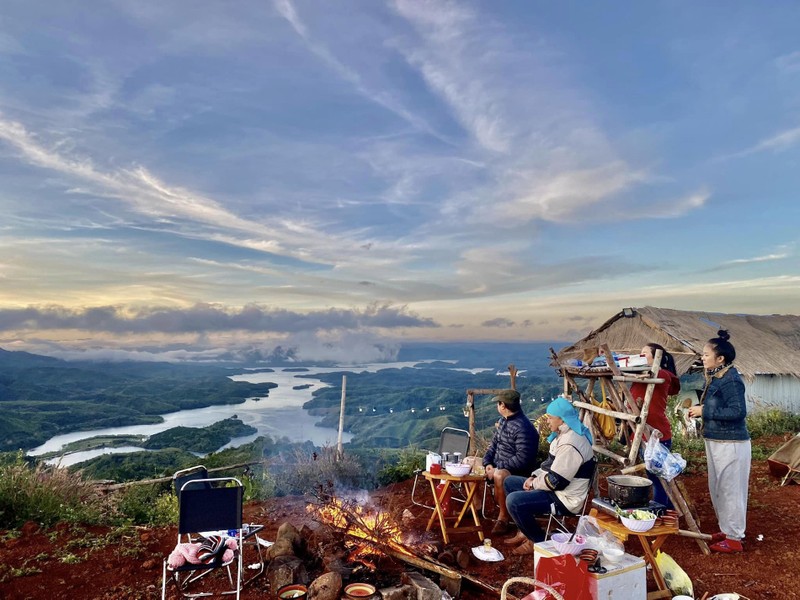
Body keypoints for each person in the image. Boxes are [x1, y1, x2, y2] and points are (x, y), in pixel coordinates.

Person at [502, 395, 596, 555]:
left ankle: (539, 541)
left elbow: (556, 482)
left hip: (565, 498)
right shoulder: (563, 435)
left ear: (562, 420)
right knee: (510, 482)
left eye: (550, 418)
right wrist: (533, 477)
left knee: (514, 501)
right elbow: (548, 467)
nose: (547, 421)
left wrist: (534, 483)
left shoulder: (571, 444)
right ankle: (525, 531)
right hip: (557, 489)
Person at [687, 330, 750, 553]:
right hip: (716, 440)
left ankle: (734, 539)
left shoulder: (731, 380)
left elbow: (738, 411)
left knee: (731, 489)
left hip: (731, 443)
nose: (702, 358)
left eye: (706, 355)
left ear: (720, 358)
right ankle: (726, 529)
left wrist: (704, 410)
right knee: (719, 488)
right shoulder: (718, 377)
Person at [482, 389, 540, 535]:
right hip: (496, 465)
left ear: (503, 406)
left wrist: (497, 468)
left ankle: (503, 517)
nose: (497, 406)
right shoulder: (503, 422)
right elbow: (493, 445)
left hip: (516, 472)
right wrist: (487, 463)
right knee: (468, 461)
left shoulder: (524, 427)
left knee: (500, 475)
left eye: (498, 403)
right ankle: (476, 507)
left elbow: (523, 459)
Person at [630, 343, 681, 508]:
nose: (640, 355)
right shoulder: (640, 374)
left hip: (657, 434)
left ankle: (662, 512)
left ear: (656, 357)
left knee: (658, 478)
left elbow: (665, 379)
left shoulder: (662, 374)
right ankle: (668, 509)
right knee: (653, 476)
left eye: (644, 353)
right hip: (640, 433)